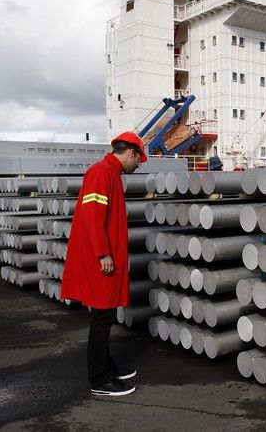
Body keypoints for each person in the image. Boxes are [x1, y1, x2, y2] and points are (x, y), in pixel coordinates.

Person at [61, 131, 147, 396]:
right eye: (138, 160)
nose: (137, 165)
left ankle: (106, 366)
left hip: (105, 258)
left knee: (106, 316)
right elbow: (92, 215)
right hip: (101, 260)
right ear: (131, 153)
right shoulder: (101, 172)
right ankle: (100, 380)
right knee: (101, 318)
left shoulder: (109, 173)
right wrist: (103, 254)